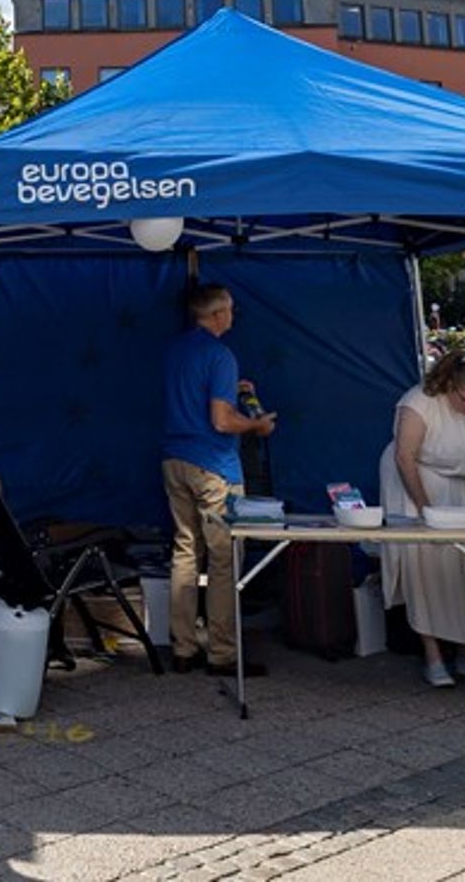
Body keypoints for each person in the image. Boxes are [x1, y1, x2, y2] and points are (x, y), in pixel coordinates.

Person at [378, 353, 465, 688]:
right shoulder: (418, 402)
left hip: (461, 490)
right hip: (415, 484)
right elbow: (404, 457)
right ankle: (433, 656)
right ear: (451, 388)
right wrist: (425, 510)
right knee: (426, 569)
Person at [161, 284, 276, 678]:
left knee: (185, 552)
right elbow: (221, 421)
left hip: (174, 458)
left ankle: (182, 648)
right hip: (213, 465)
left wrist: (234, 390)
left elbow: (195, 397)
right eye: (229, 309)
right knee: (224, 559)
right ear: (215, 316)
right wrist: (257, 424)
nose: (232, 315)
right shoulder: (220, 355)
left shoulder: (175, 349)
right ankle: (223, 653)